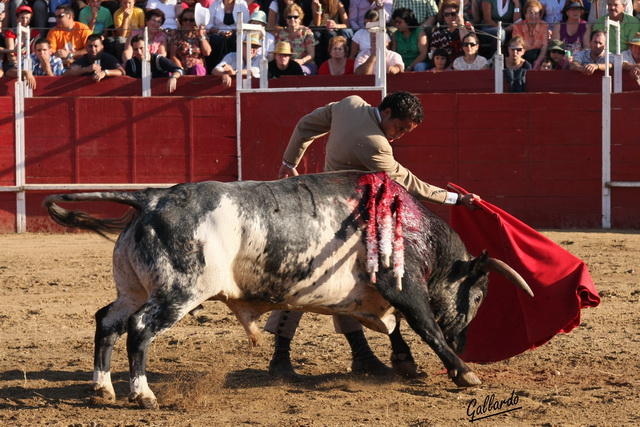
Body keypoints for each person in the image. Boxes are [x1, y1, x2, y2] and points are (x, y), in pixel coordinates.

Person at [267, 91, 479, 379]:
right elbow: (407, 182)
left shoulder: (349, 104)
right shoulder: (377, 145)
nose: (400, 136)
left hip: (319, 197)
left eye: (407, 131)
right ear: (388, 112)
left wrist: (289, 161)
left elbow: (306, 124)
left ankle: (360, 354)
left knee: (335, 279)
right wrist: (455, 199)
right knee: (324, 275)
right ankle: (286, 357)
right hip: (343, 213)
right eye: (400, 128)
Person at [275, 3, 317, 75]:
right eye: (289, 17)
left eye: (295, 17)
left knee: (299, 71)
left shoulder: (306, 32)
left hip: (305, 64)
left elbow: (311, 55)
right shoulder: (281, 34)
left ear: (300, 18)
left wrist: (302, 61)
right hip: (286, 66)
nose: (292, 19)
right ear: (286, 19)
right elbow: (278, 53)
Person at [170, 7, 211, 75]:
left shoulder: (202, 34)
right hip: (181, 68)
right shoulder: (176, 34)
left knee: (197, 68)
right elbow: (173, 56)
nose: (187, 22)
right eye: (185, 19)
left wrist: (201, 36)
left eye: (191, 20)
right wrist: (180, 70)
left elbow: (207, 53)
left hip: (197, 69)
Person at [429, 1, 471, 67]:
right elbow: (433, 50)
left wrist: (461, 26)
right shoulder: (438, 30)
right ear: (443, 16)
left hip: (464, 63)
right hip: (444, 65)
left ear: (458, 14)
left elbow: (469, 43)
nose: (450, 17)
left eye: (453, 14)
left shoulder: (467, 26)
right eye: (446, 14)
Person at [311, 0, 352, 65]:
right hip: (319, 29)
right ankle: (319, 64)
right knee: (316, 35)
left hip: (332, 29)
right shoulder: (316, 2)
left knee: (331, 35)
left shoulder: (338, 3)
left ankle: (333, 62)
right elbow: (317, 24)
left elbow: (347, 24)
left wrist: (336, 25)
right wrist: (319, 8)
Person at [512, 0, 549, 69]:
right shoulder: (517, 26)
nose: (533, 16)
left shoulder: (544, 26)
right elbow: (517, 45)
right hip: (523, 56)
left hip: (539, 55)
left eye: (536, 13)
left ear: (539, 15)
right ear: (525, 14)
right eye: (530, 13)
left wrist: (539, 61)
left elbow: (545, 45)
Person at [4, 5, 42, 70]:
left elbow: (34, 52)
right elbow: (10, 54)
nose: (25, 20)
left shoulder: (35, 33)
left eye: (27, 18)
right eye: (22, 17)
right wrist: (16, 63)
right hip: (15, 63)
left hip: (30, 62)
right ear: (17, 18)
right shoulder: (10, 32)